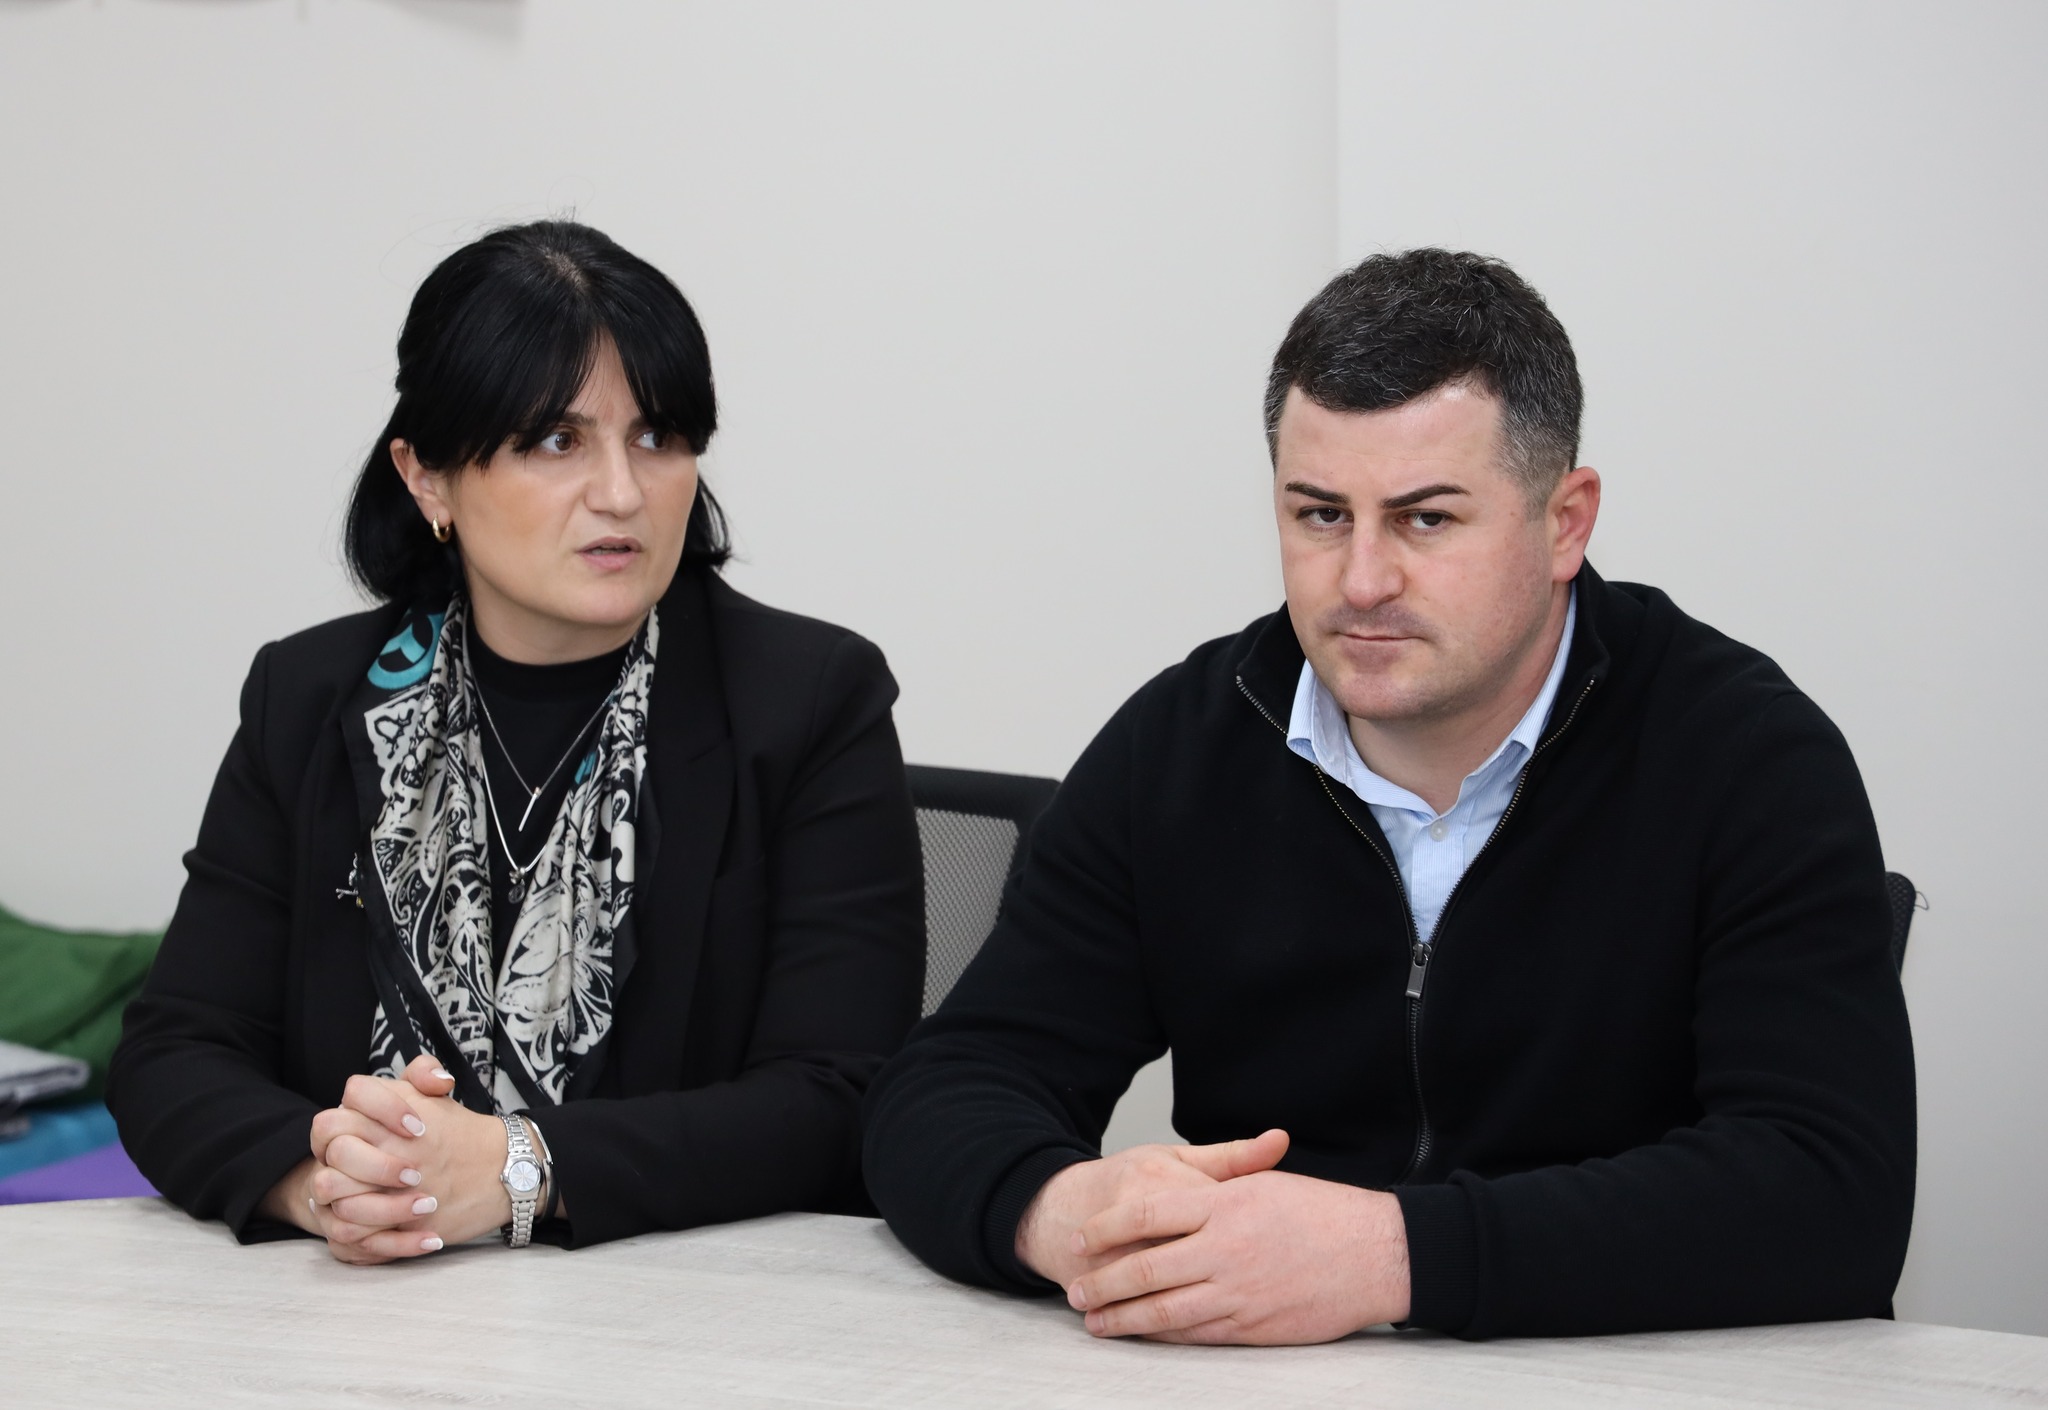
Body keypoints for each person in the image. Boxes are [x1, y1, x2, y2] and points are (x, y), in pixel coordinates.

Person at [861, 249, 1914, 1342]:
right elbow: (950, 1081)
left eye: (1425, 520)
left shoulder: (1744, 755)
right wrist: (1054, 1211)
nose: (1362, 582)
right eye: (1321, 515)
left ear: (1564, 522)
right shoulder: (1183, 744)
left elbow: (1831, 1190)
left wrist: (1391, 1257)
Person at [108, 221, 925, 1262]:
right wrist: (329, 1185)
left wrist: (516, 1171)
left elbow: (840, 1093)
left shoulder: (806, 701)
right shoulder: (308, 698)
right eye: (555, 441)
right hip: (363, 1309)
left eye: (657, 437)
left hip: (685, 1304)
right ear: (427, 478)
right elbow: (177, 1050)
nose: (622, 492)